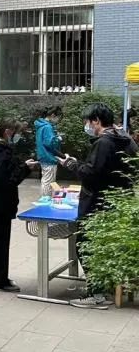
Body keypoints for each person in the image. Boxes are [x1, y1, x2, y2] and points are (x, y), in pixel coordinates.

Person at [58, 103, 138, 309]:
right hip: (118, 200)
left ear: (96, 121)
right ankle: (105, 287)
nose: (87, 125)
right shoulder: (126, 139)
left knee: (86, 246)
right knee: (105, 246)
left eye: (88, 121)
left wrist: (72, 165)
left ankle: (97, 294)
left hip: (97, 203)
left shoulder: (104, 142)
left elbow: (91, 174)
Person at [0, 119, 40, 292]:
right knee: (0, 241)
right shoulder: (2, 152)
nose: (17, 135)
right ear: (7, 131)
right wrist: (25, 168)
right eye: (16, 132)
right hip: (1, 202)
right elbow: (8, 179)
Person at [34, 106, 63, 196]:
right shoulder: (47, 127)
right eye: (58, 117)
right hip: (49, 157)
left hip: (43, 155)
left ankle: (45, 199)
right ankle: (45, 200)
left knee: (45, 180)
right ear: (53, 115)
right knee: (48, 182)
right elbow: (49, 143)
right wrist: (58, 139)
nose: (58, 120)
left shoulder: (41, 126)